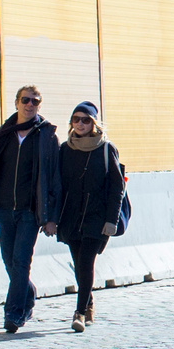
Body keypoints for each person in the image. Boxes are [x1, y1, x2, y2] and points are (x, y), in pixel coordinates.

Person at [0, 88, 61, 335]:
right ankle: (28, 293)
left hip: (30, 212)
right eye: (25, 100)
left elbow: (54, 179)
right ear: (16, 103)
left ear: (40, 105)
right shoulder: (4, 134)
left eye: (35, 101)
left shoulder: (47, 136)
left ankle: (14, 313)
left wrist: (51, 218)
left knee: (21, 261)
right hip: (4, 210)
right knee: (9, 261)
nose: (30, 104)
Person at [45, 101, 124, 333]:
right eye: (76, 119)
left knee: (86, 262)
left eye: (86, 120)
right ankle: (88, 302)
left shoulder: (106, 149)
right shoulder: (65, 149)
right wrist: (52, 217)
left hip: (96, 217)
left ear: (94, 124)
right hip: (70, 216)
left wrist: (111, 220)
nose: (80, 124)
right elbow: (56, 186)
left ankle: (79, 312)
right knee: (79, 264)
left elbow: (116, 188)